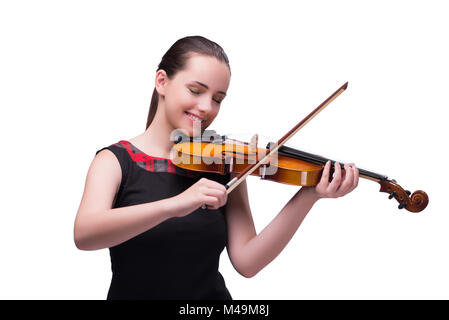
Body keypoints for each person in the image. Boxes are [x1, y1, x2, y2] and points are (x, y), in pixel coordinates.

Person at [74, 35, 359, 300]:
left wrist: (309, 194)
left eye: (218, 99)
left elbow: (248, 262)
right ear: (162, 81)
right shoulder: (115, 161)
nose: (206, 107)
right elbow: (85, 234)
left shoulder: (222, 164)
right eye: (195, 90)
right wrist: (174, 205)